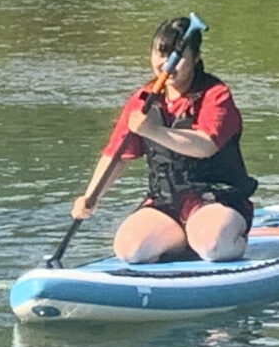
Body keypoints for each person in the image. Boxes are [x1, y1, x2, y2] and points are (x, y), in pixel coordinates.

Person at [68, 14, 257, 262]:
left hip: (217, 199)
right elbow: (117, 155)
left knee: (213, 244)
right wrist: (91, 196)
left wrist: (154, 131)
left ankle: (229, 240)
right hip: (166, 202)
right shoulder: (142, 100)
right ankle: (183, 242)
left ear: (196, 58)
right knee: (130, 250)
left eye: (176, 58)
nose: (165, 64)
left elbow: (206, 145)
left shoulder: (215, 95)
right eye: (160, 54)